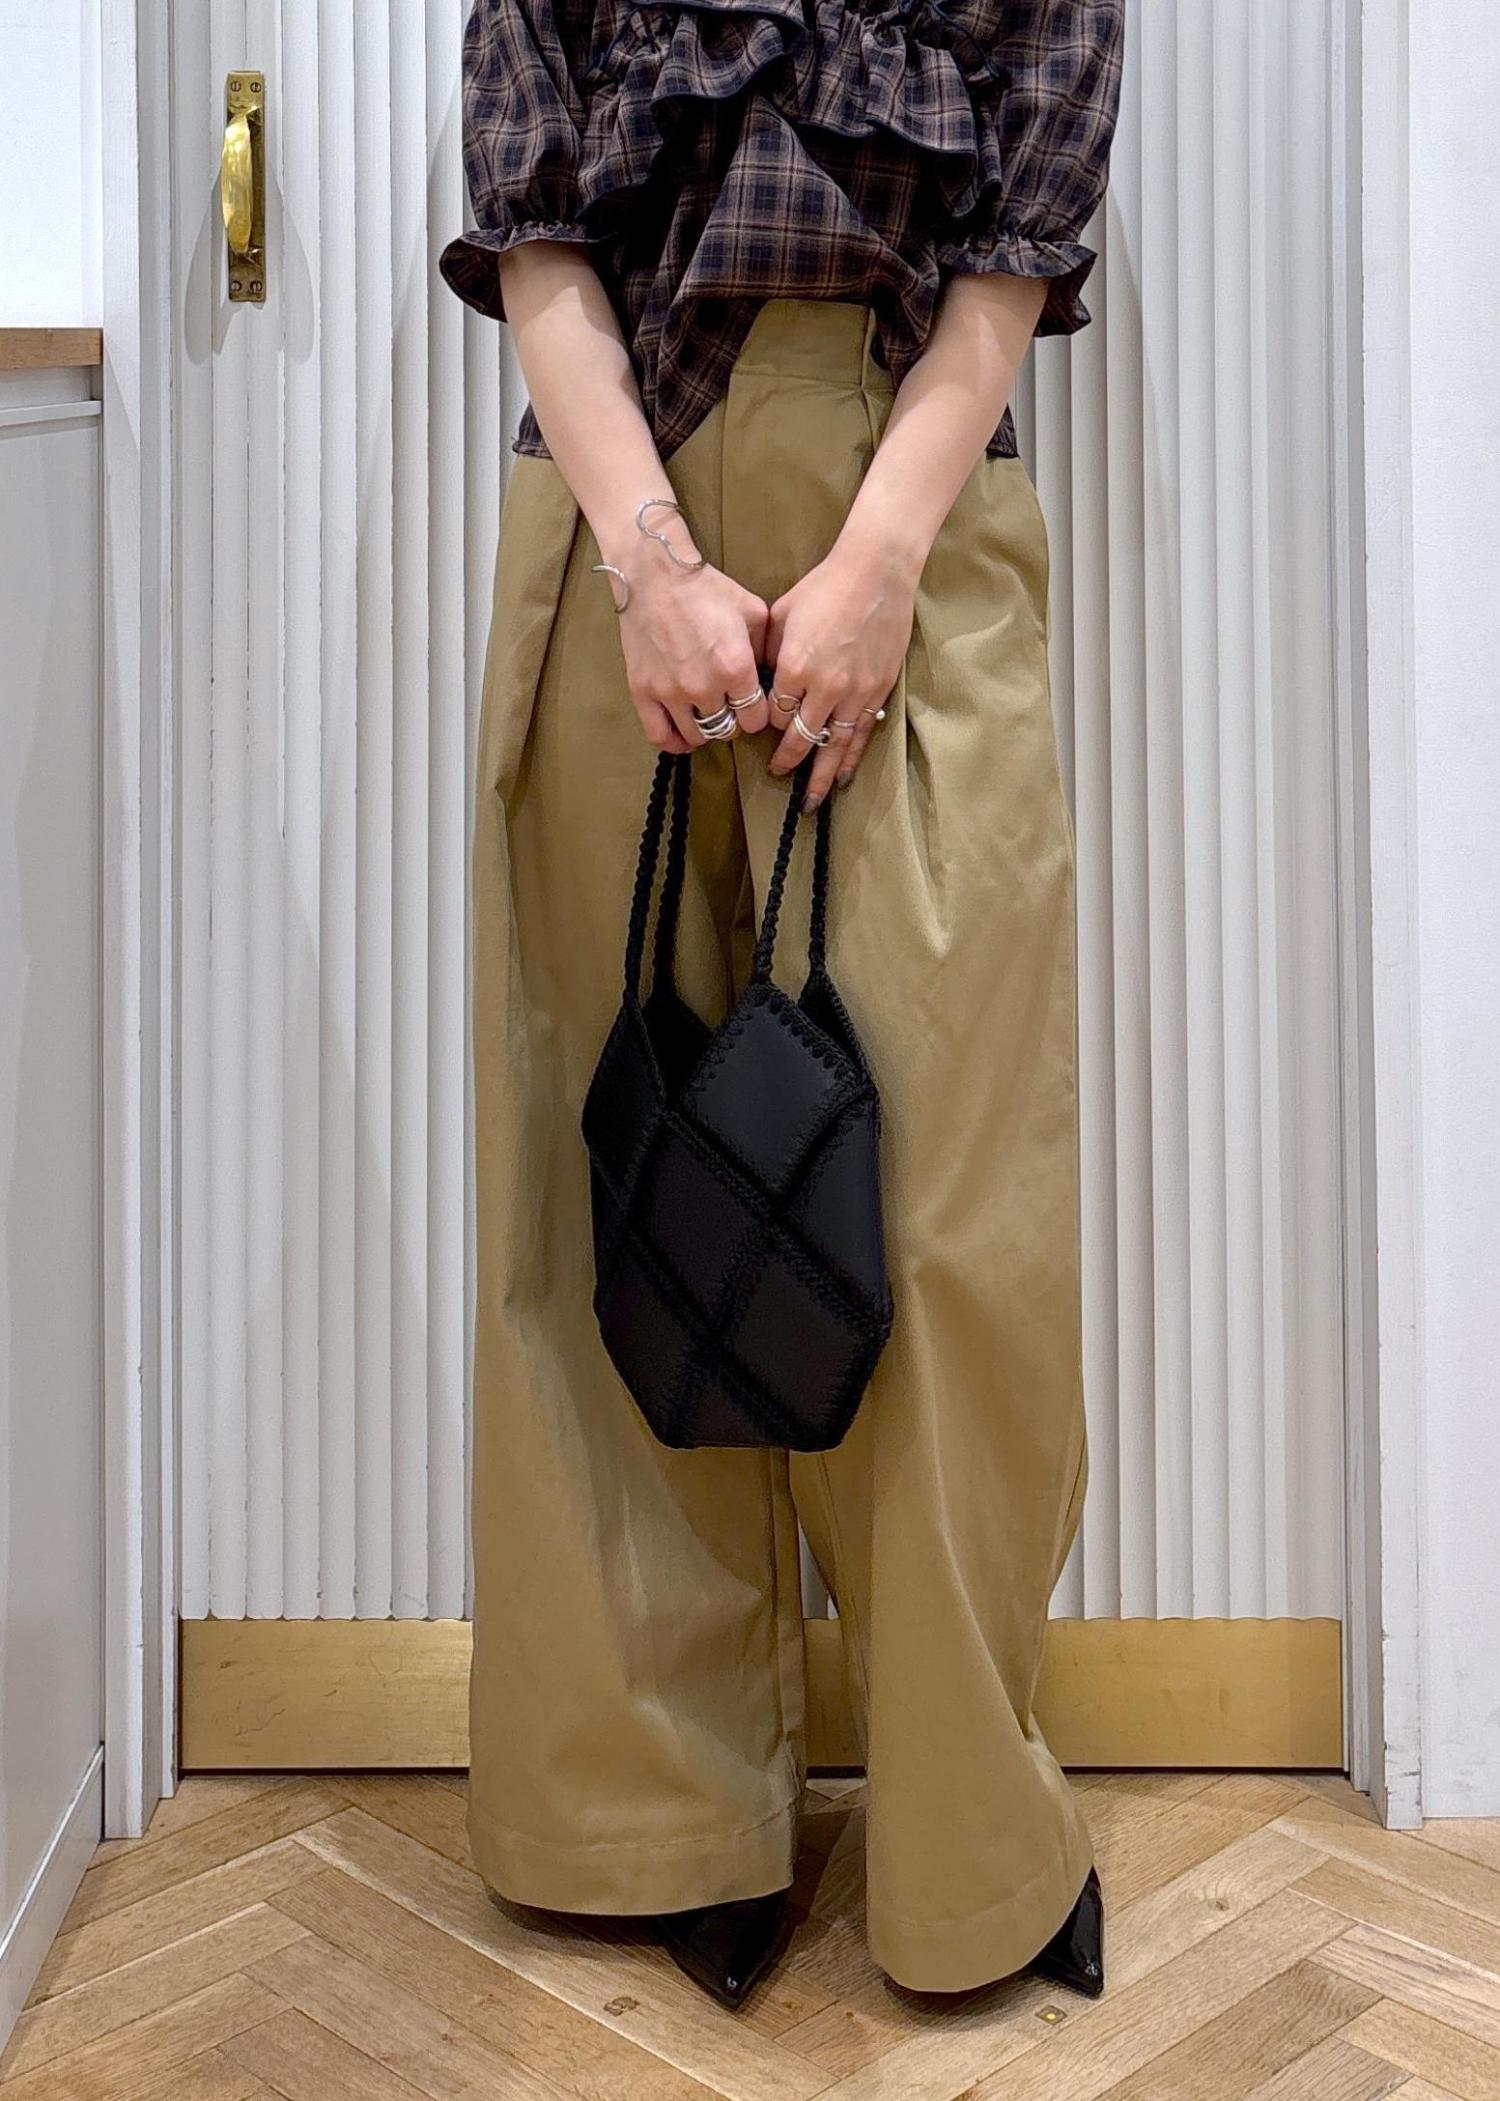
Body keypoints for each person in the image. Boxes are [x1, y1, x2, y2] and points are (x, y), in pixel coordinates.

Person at [440, 0, 1124, 2012]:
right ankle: (652, 1814)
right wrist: (649, 563)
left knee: (949, 1214)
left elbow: (1017, 241)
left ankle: (972, 1830)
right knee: (618, 1176)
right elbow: (537, 234)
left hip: (916, 520)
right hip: (617, 518)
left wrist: (883, 559)